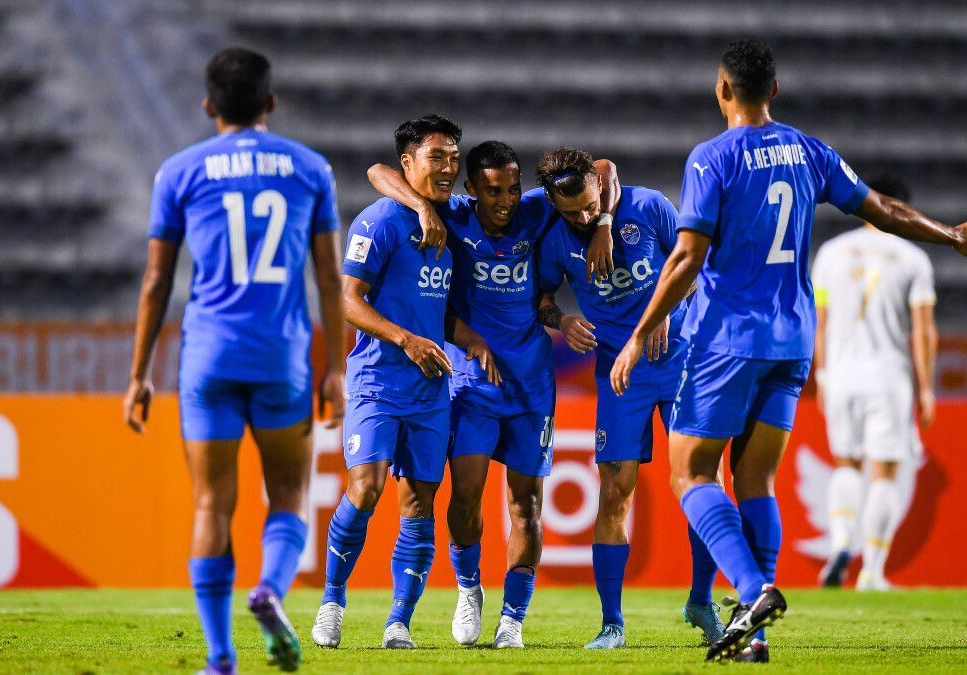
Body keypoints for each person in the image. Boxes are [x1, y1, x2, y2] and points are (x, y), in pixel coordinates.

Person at [609, 38, 967, 663]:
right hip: (792, 338)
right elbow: (883, 208)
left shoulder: (712, 158)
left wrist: (638, 335)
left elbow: (687, 256)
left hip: (727, 340)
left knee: (691, 472)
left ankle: (751, 590)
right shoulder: (810, 151)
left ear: (721, 89)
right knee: (756, 480)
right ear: (775, 90)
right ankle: (753, 637)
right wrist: (950, 233)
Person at [123, 47, 347, 674]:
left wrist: (139, 374)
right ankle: (270, 590)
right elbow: (329, 278)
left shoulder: (178, 171)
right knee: (290, 494)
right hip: (281, 358)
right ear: (271, 103)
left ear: (207, 106)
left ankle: (221, 658)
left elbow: (155, 282)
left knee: (211, 505)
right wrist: (335, 367)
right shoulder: (311, 170)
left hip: (208, 358)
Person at [365, 141, 618, 649]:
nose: (505, 201)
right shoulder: (452, 217)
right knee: (465, 496)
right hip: (471, 386)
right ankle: (468, 586)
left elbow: (604, 168)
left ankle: (513, 620)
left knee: (525, 504)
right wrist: (419, 205)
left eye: (512, 188)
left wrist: (606, 221)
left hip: (531, 388)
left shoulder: (537, 211)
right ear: (471, 193)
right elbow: (376, 171)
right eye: (492, 191)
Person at [311, 114, 498, 651]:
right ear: (409, 164)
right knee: (365, 488)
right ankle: (331, 603)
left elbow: (432, 312)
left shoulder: (455, 218)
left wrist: (468, 339)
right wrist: (405, 340)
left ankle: (399, 623)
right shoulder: (380, 221)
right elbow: (349, 301)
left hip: (431, 389)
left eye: (452, 157)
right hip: (376, 380)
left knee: (418, 503)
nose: (447, 166)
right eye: (435, 157)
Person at [534, 146, 726, 649]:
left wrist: (665, 309)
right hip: (620, 373)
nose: (579, 216)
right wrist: (562, 320)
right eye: (568, 211)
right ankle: (612, 624)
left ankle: (701, 599)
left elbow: (695, 264)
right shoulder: (554, 240)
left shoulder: (649, 207)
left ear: (599, 188)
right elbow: (542, 297)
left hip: (681, 358)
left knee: (702, 480)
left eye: (585, 207)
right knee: (615, 490)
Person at [812, 175, 938, 592]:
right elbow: (922, 332)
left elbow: (821, 323)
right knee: (883, 472)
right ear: (902, 209)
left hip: (841, 376)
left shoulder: (831, 253)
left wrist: (823, 375)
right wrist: (925, 388)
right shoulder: (913, 258)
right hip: (888, 377)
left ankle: (841, 543)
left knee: (845, 464)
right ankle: (872, 570)